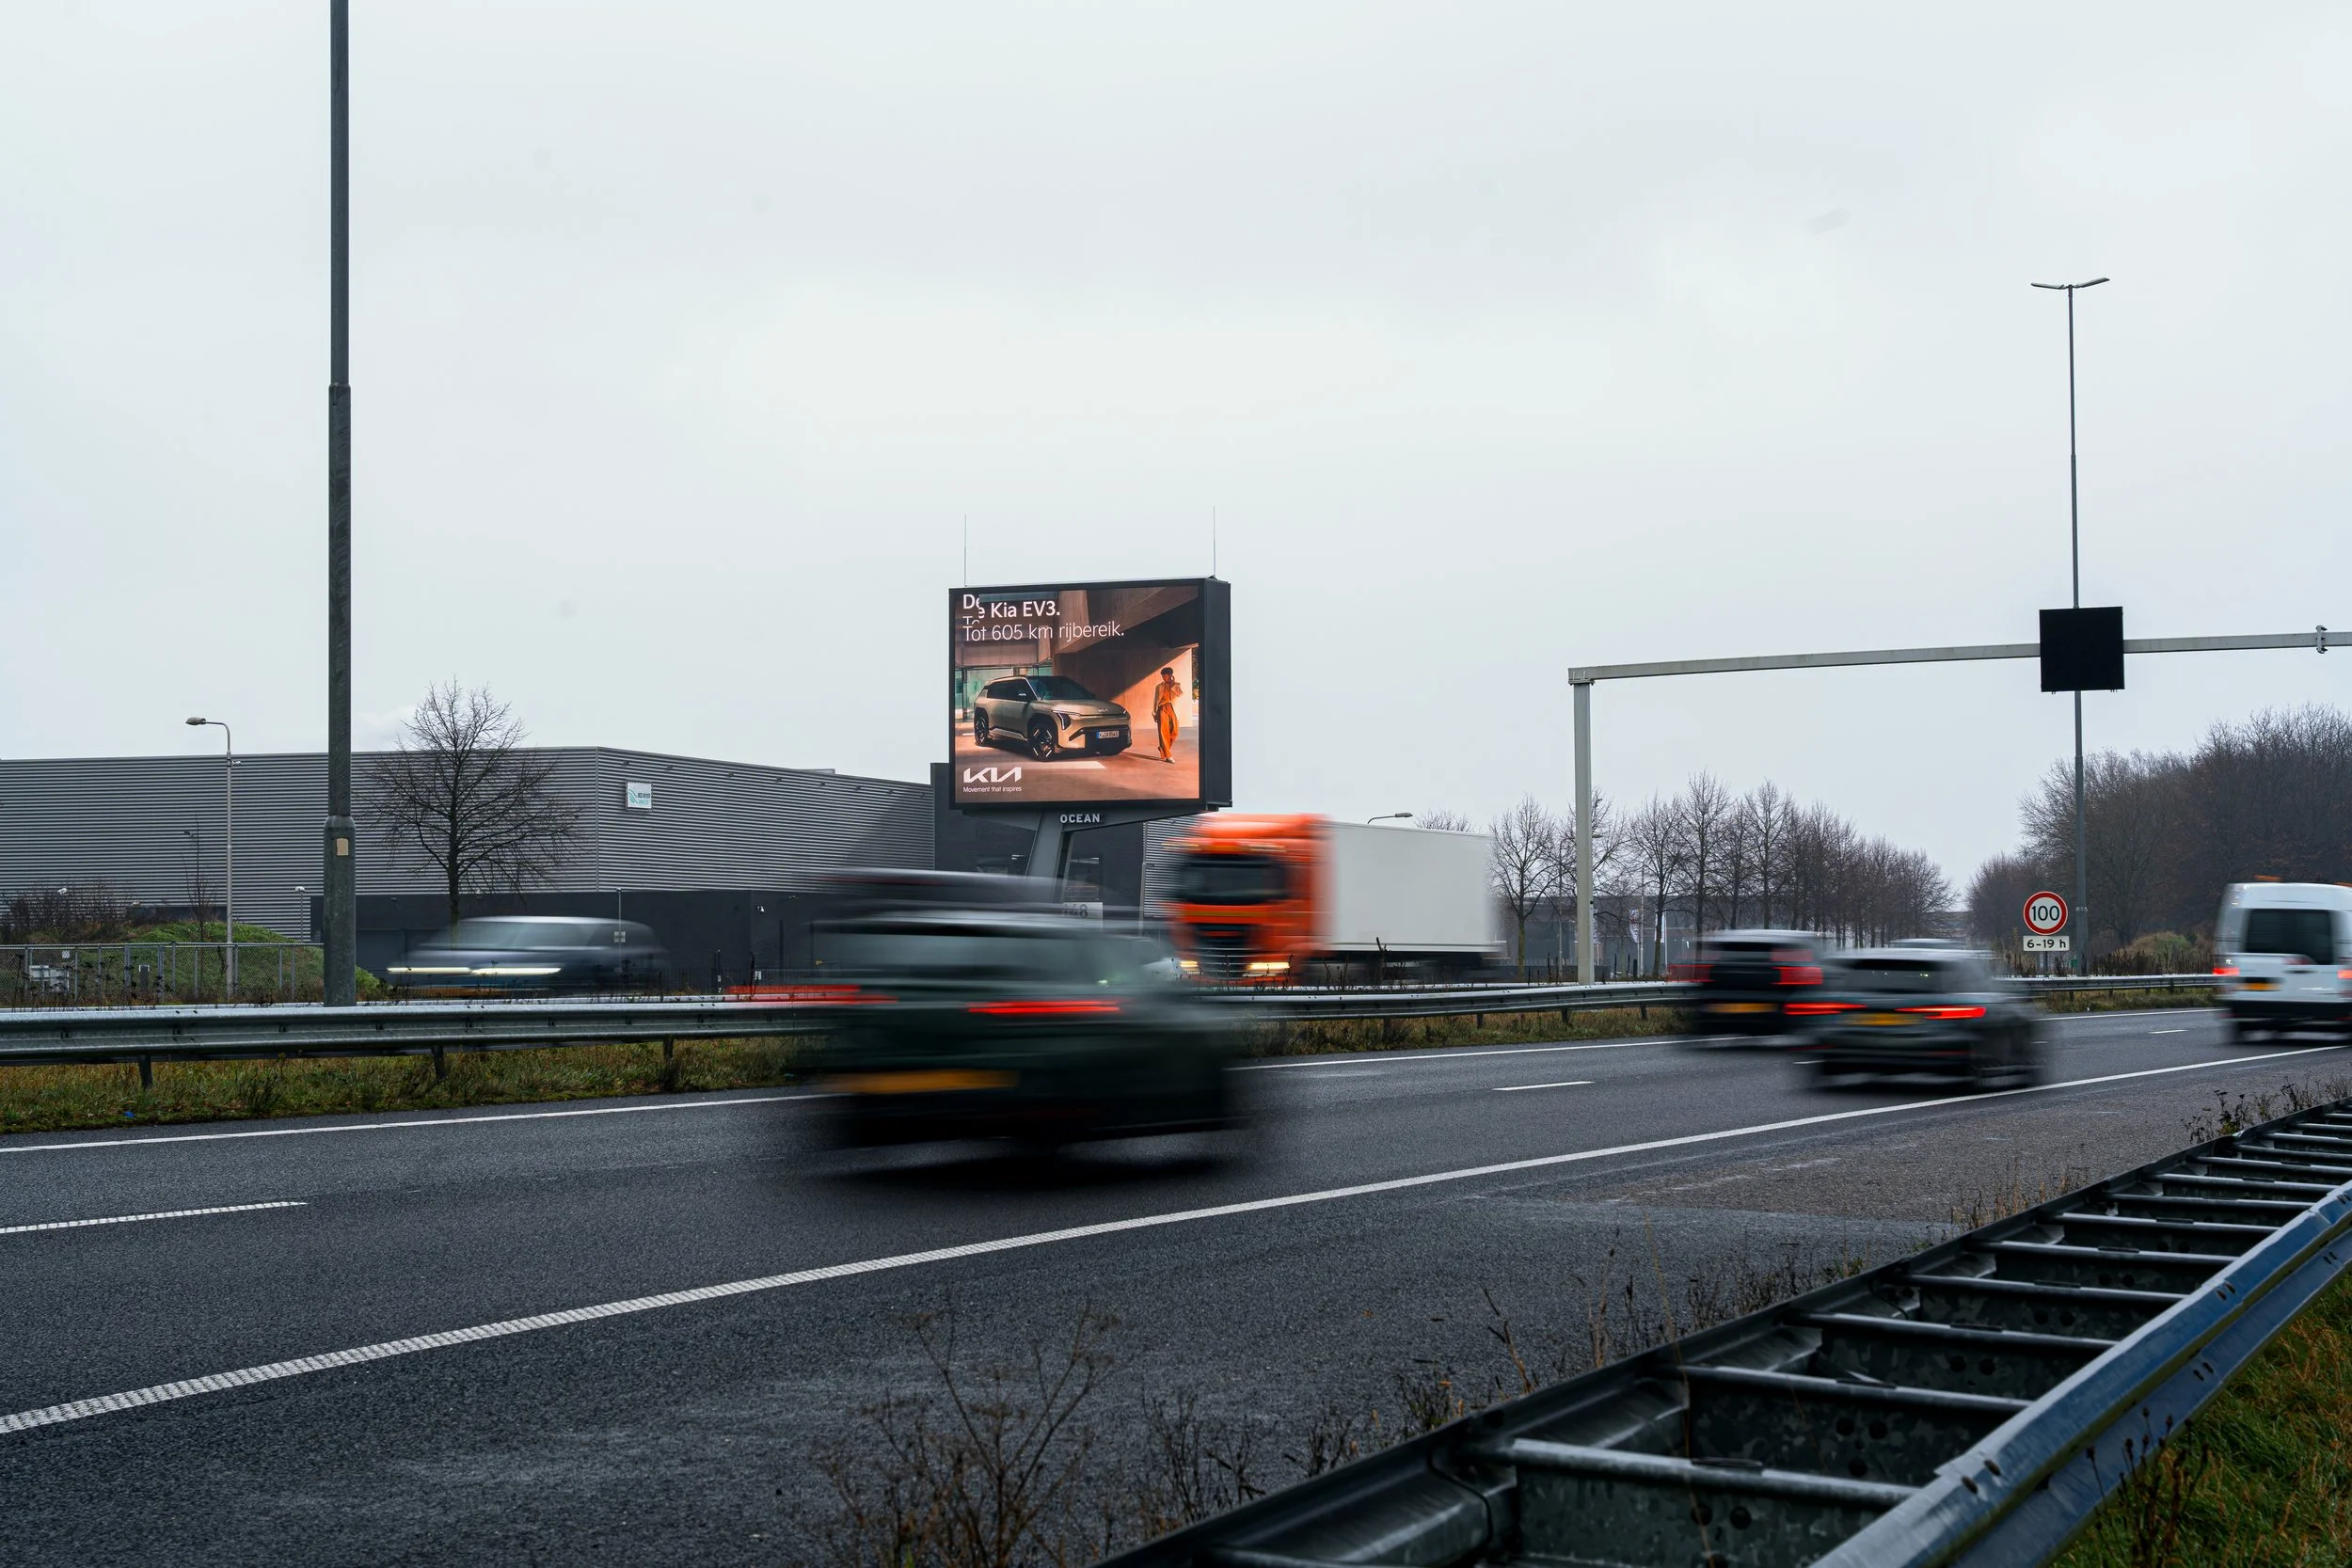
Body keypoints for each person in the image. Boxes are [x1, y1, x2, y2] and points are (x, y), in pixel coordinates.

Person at [1152, 665, 1182, 762]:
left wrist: (1173, 684)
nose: (1163, 677)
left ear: (1170, 675)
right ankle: (1168, 755)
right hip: (1162, 708)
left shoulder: (1177, 685)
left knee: (1175, 731)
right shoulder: (1159, 686)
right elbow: (1155, 700)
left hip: (1173, 708)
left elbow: (1179, 694)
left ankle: (1163, 749)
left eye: (1165, 675)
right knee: (1163, 731)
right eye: (1162, 676)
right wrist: (1155, 712)